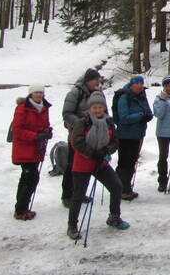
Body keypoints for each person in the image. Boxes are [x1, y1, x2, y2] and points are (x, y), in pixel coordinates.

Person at [67, 91, 128, 239]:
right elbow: (77, 142)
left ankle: (114, 216)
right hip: (83, 162)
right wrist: (93, 153)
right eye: (94, 107)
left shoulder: (109, 122)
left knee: (116, 186)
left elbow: (115, 141)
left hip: (101, 162)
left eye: (100, 107)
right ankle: (72, 226)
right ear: (89, 109)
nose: (97, 110)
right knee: (78, 195)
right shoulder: (82, 122)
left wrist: (107, 151)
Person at [61, 68, 101, 207]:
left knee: (85, 167)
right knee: (72, 165)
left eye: (98, 79)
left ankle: (79, 193)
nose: (98, 82)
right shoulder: (75, 93)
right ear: (88, 80)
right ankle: (67, 195)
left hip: (92, 136)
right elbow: (67, 114)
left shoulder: (96, 93)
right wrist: (81, 123)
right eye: (95, 79)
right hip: (76, 137)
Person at [11, 83, 52, 220]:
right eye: (36, 92)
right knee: (31, 178)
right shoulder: (22, 108)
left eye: (41, 92)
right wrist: (35, 136)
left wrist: (47, 132)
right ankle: (21, 210)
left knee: (27, 178)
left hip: (36, 148)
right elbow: (17, 130)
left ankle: (21, 208)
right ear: (31, 94)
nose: (39, 95)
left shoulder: (44, 107)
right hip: (24, 148)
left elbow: (44, 125)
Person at [115, 74, 152, 201]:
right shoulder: (124, 97)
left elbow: (148, 112)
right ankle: (119, 188)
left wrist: (147, 116)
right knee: (124, 163)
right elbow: (123, 118)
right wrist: (141, 115)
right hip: (125, 135)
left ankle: (126, 188)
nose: (139, 85)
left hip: (138, 134)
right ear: (131, 84)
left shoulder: (142, 96)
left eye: (141, 83)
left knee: (132, 162)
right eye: (137, 83)